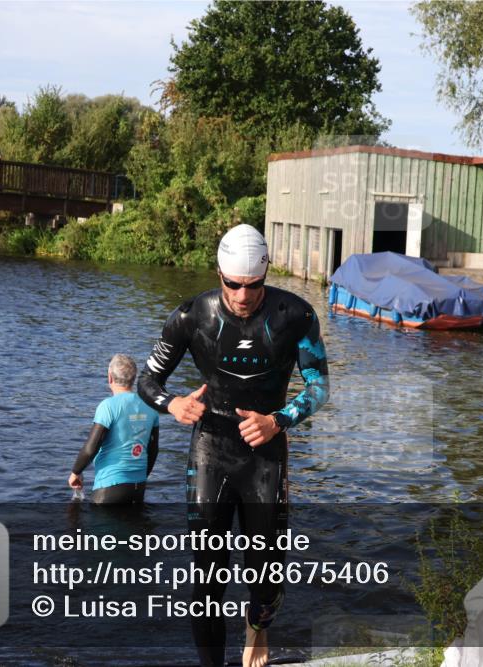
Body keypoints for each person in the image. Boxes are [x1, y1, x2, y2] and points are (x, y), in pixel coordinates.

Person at [138, 224, 330, 667]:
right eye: (233, 285)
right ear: (219, 273)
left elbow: (319, 386)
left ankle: (256, 631)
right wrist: (172, 404)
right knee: (206, 579)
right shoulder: (191, 316)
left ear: (265, 275)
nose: (243, 296)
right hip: (211, 446)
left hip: (265, 450)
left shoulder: (295, 316)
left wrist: (278, 420)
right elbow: (148, 380)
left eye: (254, 285)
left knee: (267, 578)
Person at [69, 354, 160, 504]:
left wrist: (75, 472)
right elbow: (153, 449)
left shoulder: (108, 406)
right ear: (133, 378)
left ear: (110, 377)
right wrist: (141, 475)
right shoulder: (150, 406)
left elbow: (91, 448)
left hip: (110, 487)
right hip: (138, 488)